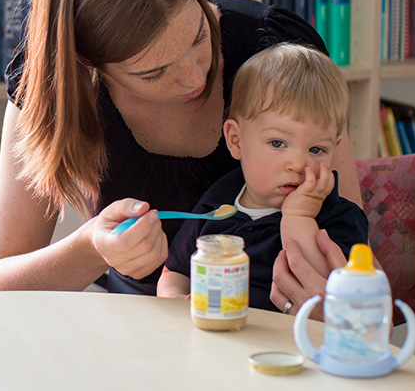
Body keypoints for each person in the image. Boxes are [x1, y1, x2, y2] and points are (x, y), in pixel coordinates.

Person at [0, 0, 362, 317]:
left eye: (198, 36)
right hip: (141, 330)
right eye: (154, 72)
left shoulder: (277, 52)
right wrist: (92, 248)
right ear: (90, 63)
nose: (195, 77)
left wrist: (340, 301)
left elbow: (357, 247)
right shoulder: (51, 87)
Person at [155, 43, 369, 311]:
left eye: (316, 150)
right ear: (236, 140)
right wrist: (175, 300)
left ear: (334, 150)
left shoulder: (338, 216)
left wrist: (299, 217)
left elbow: (326, 295)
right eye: (278, 143)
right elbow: (176, 272)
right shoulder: (219, 201)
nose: (298, 164)